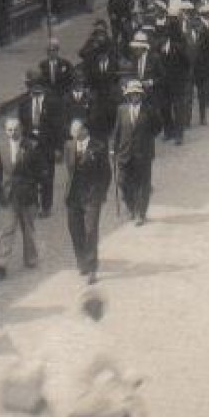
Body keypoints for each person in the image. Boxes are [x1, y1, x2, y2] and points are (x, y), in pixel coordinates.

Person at [0, 117, 41, 280]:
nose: (13, 133)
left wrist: (34, 188)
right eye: (9, 130)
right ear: (5, 131)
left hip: (27, 193)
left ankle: (31, 258)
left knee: (28, 227)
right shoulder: (1, 147)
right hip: (10, 194)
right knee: (8, 228)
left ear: (22, 129)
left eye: (16, 129)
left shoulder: (31, 146)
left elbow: (40, 171)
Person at [64, 118, 112, 284]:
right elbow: (70, 171)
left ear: (85, 130)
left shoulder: (98, 147)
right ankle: (81, 261)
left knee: (91, 230)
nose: (74, 135)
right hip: (74, 195)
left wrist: (102, 192)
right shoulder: (69, 146)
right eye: (72, 132)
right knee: (74, 229)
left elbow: (106, 172)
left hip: (92, 195)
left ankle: (92, 268)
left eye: (76, 132)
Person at [112, 79, 159, 226]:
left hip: (143, 153)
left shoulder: (149, 110)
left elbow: (157, 127)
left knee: (143, 184)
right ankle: (131, 206)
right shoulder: (121, 110)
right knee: (123, 181)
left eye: (137, 94)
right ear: (128, 95)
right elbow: (117, 130)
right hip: (125, 153)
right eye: (132, 94)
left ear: (141, 95)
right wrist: (113, 148)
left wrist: (146, 139)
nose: (134, 97)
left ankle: (140, 213)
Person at [17, 72, 63, 218]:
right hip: (30, 145)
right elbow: (22, 125)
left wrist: (58, 148)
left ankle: (46, 206)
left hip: (47, 145)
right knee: (31, 176)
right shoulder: (24, 103)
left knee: (47, 177)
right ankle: (34, 204)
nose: (34, 90)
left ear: (43, 86)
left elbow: (59, 127)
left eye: (38, 86)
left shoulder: (53, 102)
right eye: (32, 86)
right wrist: (24, 141)